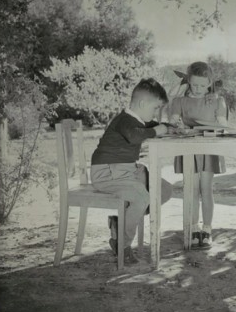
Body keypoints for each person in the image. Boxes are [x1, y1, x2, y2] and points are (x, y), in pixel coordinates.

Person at [90, 78, 174, 264]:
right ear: (142, 103)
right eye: (155, 109)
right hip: (107, 172)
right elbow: (135, 135)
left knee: (164, 190)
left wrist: (169, 127)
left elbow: (149, 127)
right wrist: (156, 131)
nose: (155, 114)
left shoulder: (136, 120)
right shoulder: (124, 121)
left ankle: (121, 223)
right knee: (142, 197)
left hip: (126, 170)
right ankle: (123, 244)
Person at [169, 61, 227, 249]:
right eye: (194, 85)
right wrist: (177, 125)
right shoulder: (180, 101)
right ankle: (193, 229)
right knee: (192, 190)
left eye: (203, 85)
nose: (199, 88)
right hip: (188, 149)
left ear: (210, 83)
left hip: (208, 148)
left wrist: (216, 127)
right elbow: (172, 120)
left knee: (206, 190)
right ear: (188, 82)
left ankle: (207, 230)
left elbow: (223, 124)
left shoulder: (217, 100)